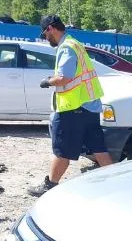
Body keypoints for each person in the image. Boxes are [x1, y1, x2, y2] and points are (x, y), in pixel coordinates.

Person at [28, 15, 113, 197]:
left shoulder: (66, 48)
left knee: (62, 150)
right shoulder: (74, 44)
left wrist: (48, 81)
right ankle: (115, 180)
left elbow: (64, 77)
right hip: (89, 107)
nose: (46, 39)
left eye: (45, 35)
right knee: (99, 148)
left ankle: (50, 185)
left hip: (73, 109)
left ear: (51, 28)